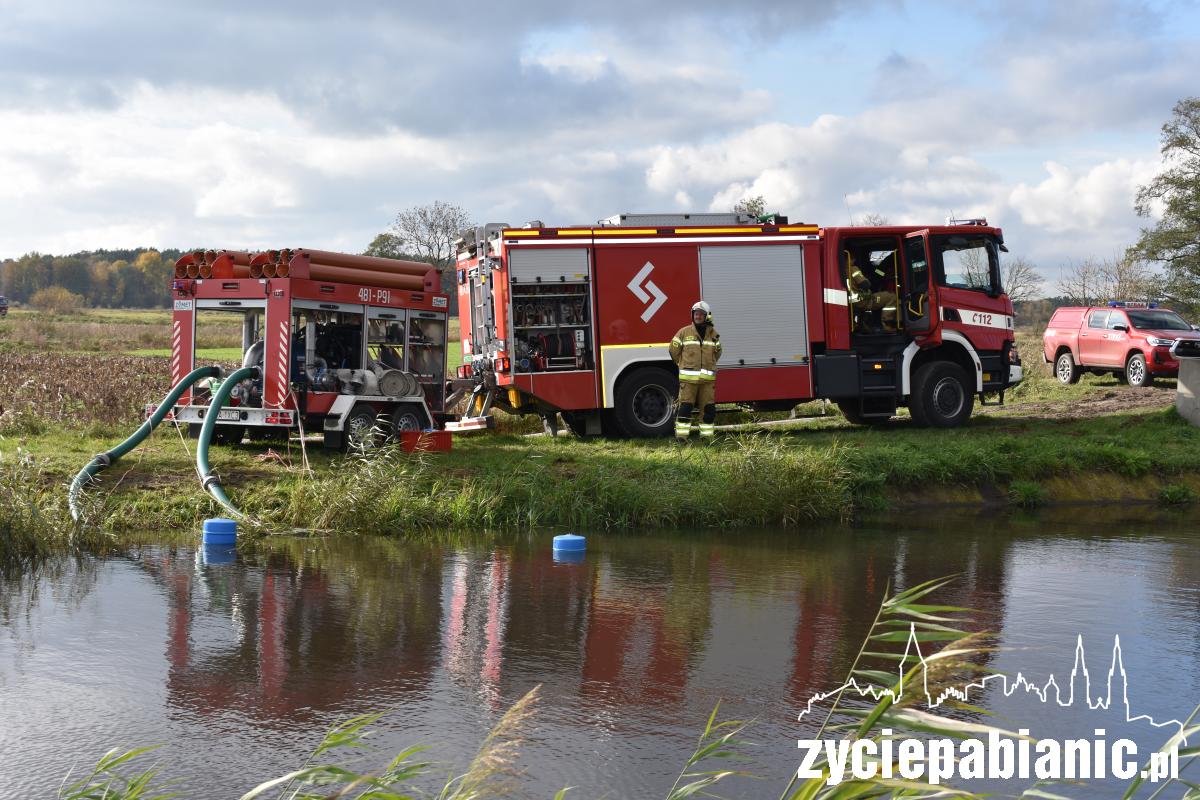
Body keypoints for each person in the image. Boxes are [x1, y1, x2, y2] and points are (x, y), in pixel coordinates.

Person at [670, 300, 722, 440]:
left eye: (701, 314)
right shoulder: (683, 332)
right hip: (688, 383)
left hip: (707, 382)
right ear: (692, 315)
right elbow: (673, 351)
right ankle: (681, 438)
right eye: (696, 314)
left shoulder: (713, 334)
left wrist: (708, 364)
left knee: (708, 410)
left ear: (707, 316)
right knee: (685, 409)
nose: (698, 316)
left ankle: (706, 438)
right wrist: (682, 364)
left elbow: (717, 352)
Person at [846, 251, 898, 333]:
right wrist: (869, 281)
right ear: (849, 258)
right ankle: (887, 325)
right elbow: (865, 284)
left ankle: (865, 326)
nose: (855, 260)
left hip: (852, 300)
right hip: (863, 300)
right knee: (891, 297)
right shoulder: (853, 269)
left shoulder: (841, 270)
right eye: (853, 258)